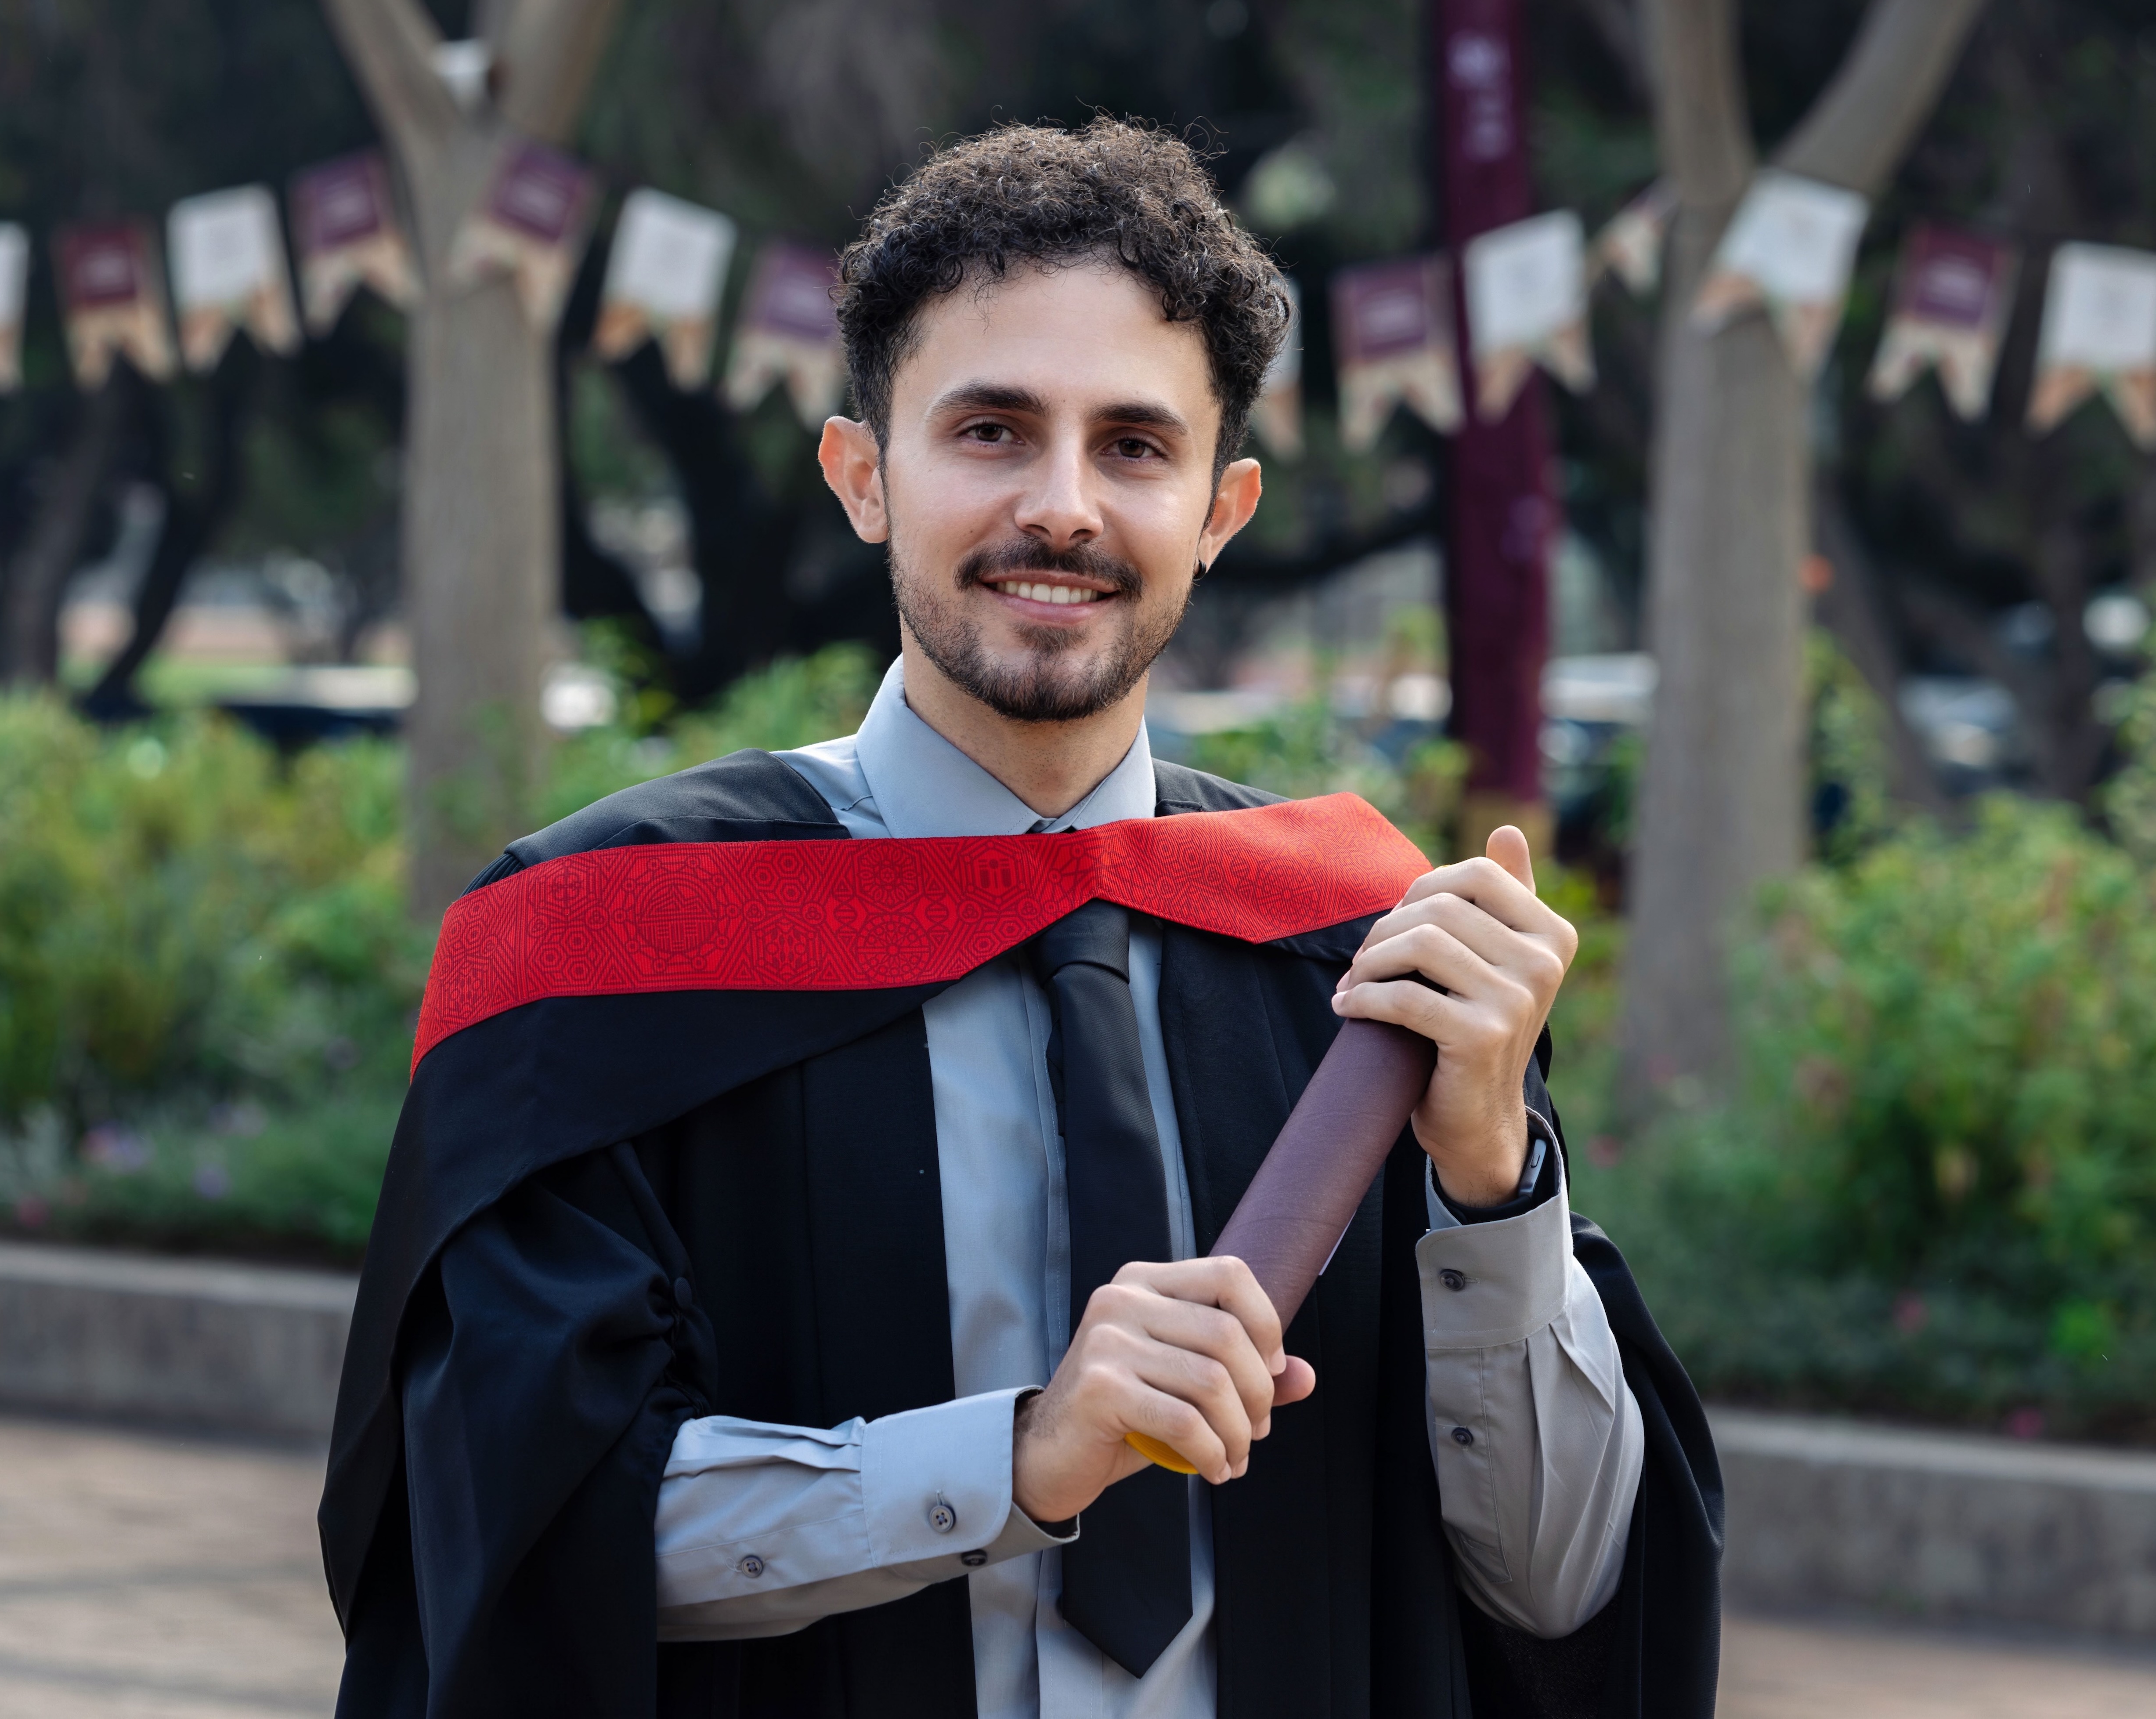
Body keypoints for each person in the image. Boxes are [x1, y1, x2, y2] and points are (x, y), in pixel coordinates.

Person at [320, 119, 1719, 1719]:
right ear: (863, 476)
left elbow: (1567, 1600)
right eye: (990, 431)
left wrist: (1491, 1191)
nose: (1061, 508)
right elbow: (515, 1547)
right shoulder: (601, 949)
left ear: (1221, 510)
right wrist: (1017, 1460)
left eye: (1133, 447)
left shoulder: (1356, 963)